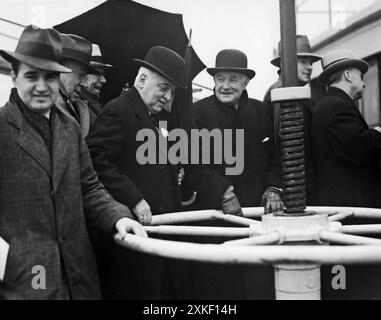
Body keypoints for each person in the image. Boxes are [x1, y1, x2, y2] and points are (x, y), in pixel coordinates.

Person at [0, 25, 146, 300]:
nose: (42, 87)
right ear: (13, 76)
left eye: (51, 77)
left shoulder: (69, 127)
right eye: (32, 75)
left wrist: (118, 217)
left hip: (78, 275)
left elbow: (89, 188)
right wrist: (11, 265)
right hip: (30, 279)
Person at [86, 46, 241, 299]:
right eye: (163, 88)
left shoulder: (148, 116)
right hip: (134, 236)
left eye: (172, 92)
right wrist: (134, 198)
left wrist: (172, 173)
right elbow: (95, 158)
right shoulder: (119, 110)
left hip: (153, 233)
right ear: (142, 79)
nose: (168, 98)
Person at [188, 48, 282, 299]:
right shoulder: (198, 113)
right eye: (220, 79)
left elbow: (276, 157)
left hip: (258, 219)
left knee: (258, 285)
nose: (225, 86)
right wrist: (223, 190)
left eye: (232, 80)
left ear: (246, 82)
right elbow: (192, 165)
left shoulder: (263, 112)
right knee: (221, 289)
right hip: (217, 218)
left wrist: (273, 188)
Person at [311, 49, 381, 208]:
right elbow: (359, 148)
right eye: (361, 77)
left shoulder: (330, 104)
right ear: (348, 75)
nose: (363, 83)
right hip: (351, 205)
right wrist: (377, 133)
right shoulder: (336, 106)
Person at [263, 35, 322, 205]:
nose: (310, 67)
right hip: (292, 189)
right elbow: (280, 145)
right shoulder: (282, 94)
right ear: (284, 64)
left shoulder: (293, 92)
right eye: (303, 61)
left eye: (310, 62)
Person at [56, 33, 98, 138]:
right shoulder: (41, 108)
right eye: (80, 75)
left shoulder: (81, 109)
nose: (84, 83)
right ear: (59, 69)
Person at [79, 43, 113, 127]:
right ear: (82, 74)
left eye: (103, 75)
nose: (103, 80)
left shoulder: (92, 106)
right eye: (98, 74)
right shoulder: (76, 109)